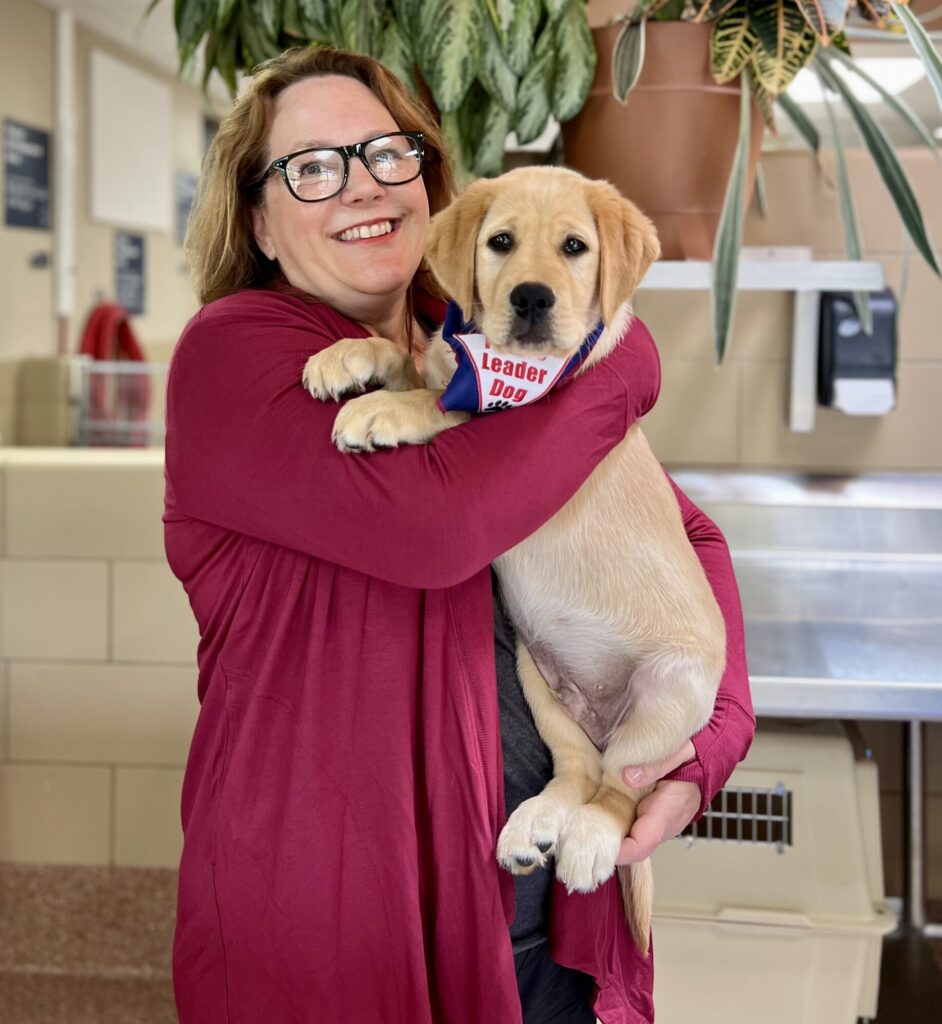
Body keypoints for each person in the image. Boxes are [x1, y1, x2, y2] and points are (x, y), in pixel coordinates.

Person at [165, 45, 755, 1024]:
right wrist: (618, 351)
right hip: (336, 917)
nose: (361, 184)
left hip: (541, 903)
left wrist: (699, 753)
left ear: (430, 187)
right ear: (258, 218)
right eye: (312, 166)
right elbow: (437, 523)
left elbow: (690, 539)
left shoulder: (477, 349)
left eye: (386, 153)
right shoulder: (234, 356)